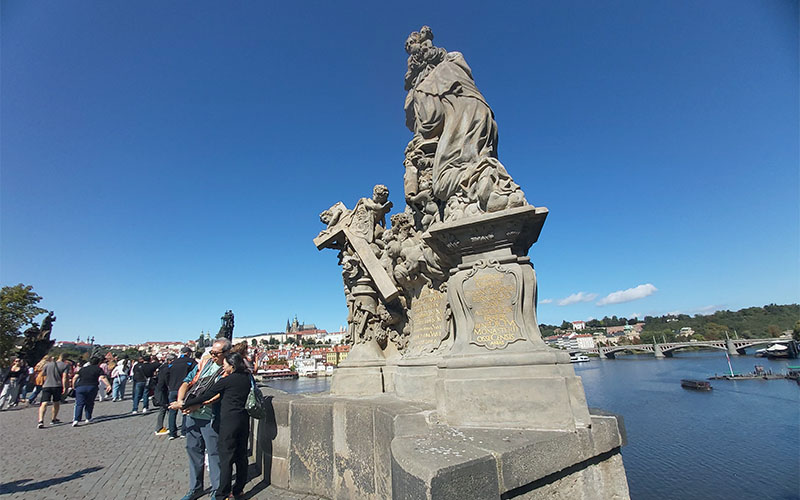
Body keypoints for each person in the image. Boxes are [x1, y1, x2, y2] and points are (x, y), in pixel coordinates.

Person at [183, 352, 252, 500]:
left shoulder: (227, 381)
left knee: (226, 458)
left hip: (229, 422)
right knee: (241, 457)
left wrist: (184, 404)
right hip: (243, 420)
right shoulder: (246, 378)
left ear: (232, 366)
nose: (223, 366)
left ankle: (222, 493)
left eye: (225, 364)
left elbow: (206, 395)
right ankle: (239, 489)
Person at [170, 338, 231, 500]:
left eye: (216, 353)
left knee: (214, 454)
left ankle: (217, 490)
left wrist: (198, 405)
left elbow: (221, 394)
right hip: (192, 416)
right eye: (211, 352)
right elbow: (186, 382)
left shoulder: (228, 369)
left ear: (226, 353)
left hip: (211, 416)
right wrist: (181, 401)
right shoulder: (204, 364)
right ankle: (195, 488)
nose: (212, 355)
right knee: (193, 451)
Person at [164, 346, 197, 439]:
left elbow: (166, 374)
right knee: (185, 410)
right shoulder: (191, 362)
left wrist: (169, 385)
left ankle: (172, 432)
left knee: (172, 412)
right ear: (188, 353)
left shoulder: (173, 362)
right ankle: (184, 431)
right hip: (185, 389)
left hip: (173, 388)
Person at [72, 356, 112, 426]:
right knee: (89, 403)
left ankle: (76, 420)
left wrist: (73, 386)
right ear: (99, 362)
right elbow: (102, 377)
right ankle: (88, 418)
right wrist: (108, 385)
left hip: (80, 387)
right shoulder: (98, 369)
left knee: (79, 404)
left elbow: (75, 377)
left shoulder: (83, 369)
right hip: (92, 387)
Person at [37, 354, 68, 428]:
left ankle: (40, 420)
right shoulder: (65, 365)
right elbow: (64, 377)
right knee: (56, 402)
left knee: (44, 403)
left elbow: (43, 374)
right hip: (57, 385)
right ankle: (53, 419)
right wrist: (65, 387)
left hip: (47, 385)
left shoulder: (47, 365)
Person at [154, 353, 175, 436]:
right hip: (162, 391)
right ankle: (159, 428)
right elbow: (167, 381)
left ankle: (170, 426)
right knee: (163, 409)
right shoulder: (167, 369)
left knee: (165, 409)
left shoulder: (162, 367)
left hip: (160, 389)